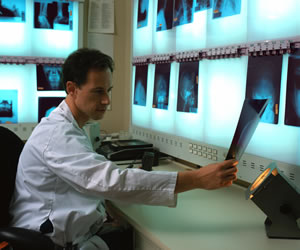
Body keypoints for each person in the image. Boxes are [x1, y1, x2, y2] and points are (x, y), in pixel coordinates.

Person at [9, 48, 238, 250]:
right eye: (98, 91)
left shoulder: (70, 126)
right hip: (49, 241)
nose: (107, 100)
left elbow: (86, 178)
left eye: (108, 90)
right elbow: (110, 181)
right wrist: (196, 178)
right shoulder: (57, 133)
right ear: (72, 88)